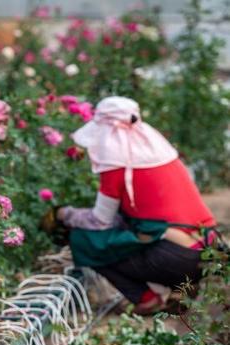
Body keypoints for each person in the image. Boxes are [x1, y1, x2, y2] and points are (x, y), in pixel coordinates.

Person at [56, 96, 218, 314]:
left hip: (175, 256)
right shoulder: (161, 155)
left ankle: (146, 298)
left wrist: (65, 214)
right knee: (136, 231)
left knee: (84, 240)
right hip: (209, 250)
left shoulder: (116, 164)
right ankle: (183, 287)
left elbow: (100, 221)